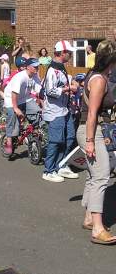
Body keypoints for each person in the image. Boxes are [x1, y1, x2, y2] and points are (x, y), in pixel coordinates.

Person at [77, 39, 116, 245]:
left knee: (93, 175)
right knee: (101, 176)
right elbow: (92, 113)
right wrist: (91, 141)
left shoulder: (94, 74)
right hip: (92, 130)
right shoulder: (99, 80)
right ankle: (98, 229)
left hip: (91, 129)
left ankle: (89, 219)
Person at [42, 40, 79, 182]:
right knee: (56, 140)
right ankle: (48, 170)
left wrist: (69, 87)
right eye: (68, 53)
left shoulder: (61, 68)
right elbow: (49, 90)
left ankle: (61, 165)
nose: (70, 55)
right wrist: (68, 89)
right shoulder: (52, 69)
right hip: (54, 111)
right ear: (62, 53)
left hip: (64, 109)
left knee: (69, 137)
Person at [3, 58, 42, 156]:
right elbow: (14, 93)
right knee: (12, 115)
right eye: (35, 66)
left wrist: (43, 106)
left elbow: (39, 91)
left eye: (38, 66)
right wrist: (16, 108)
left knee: (38, 112)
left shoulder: (35, 76)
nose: (37, 68)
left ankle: (34, 133)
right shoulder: (20, 77)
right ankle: (8, 141)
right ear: (28, 67)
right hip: (11, 98)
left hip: (25, 98)